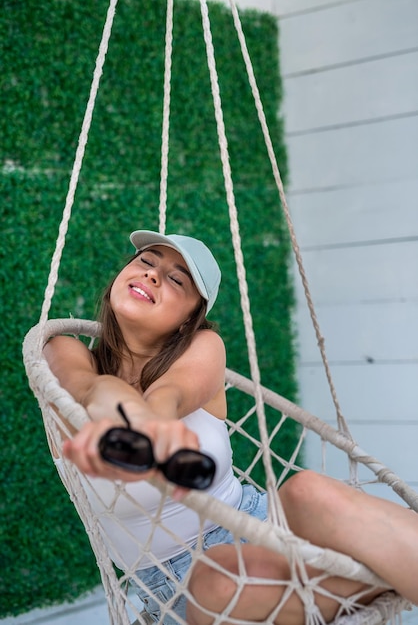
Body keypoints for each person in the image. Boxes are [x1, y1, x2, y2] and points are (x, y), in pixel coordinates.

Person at [44, 229, 418, 625]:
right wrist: (129, 420)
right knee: (217, 577)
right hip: (180, 584)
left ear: (192, 317)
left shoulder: (204, 347)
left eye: (176, 280)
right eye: (146, 262)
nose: (153, 275)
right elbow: (90, 389)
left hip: (258, 523)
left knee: (307, 490)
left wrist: (149, 424)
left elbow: (168, 395)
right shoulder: (61, 348)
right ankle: (391, 571)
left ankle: (392, 569)